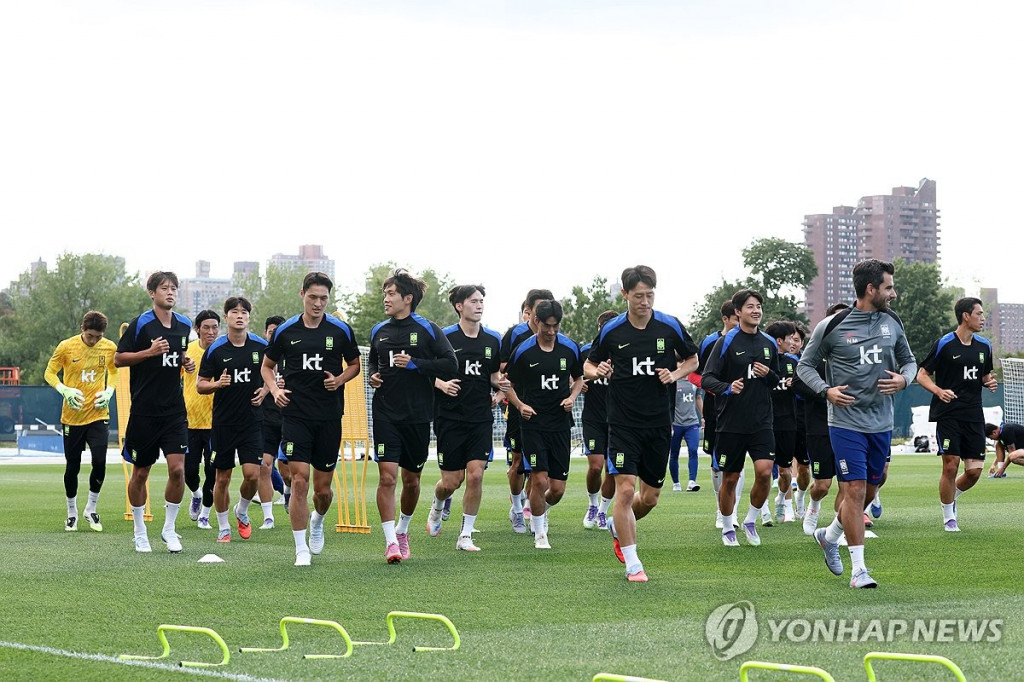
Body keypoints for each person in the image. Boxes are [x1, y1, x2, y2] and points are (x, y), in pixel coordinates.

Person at [797, 259, 917, 588]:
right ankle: (859, 571)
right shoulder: (832, 326)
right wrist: (826, 390)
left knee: (870, 490)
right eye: (889, 287)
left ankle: (829, 535)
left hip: (881, 422)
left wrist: (904, 381)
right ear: (870, 289)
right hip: (845, 423)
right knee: (854, 489)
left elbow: (910, 362)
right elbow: (803, 367)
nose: (893, 293)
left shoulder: (892, 322)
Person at [585, 265, 698, 582]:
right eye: (638, 296)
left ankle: (616, 525)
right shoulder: (613, 331)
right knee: (624, 491)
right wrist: (598, 372)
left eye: (649, 295)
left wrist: (674, 375)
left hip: (660, 423)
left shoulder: (669, 326)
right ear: (625, 295)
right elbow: (589, 364)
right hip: (622, 424)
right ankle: (634, 564)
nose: (645, 301)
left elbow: (692, 359)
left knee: (648, 498)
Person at [262, 272, 361, 566]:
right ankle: (300, 548)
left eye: (324, 299)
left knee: (322, 490)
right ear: (302, 294)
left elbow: (355, 364)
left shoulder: (340, 331)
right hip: (295, 415)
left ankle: (318, 520)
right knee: (300, 481)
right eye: (313, 297)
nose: (318, 303)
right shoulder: (286, 331)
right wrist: (275, 390)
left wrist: (340, 379)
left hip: (329, 416)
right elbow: (267, 368)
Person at [368, 269, 457, 564]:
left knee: (412, 481)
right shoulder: (379, 331)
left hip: (418, 416)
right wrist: (373, 377)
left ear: (408, 298)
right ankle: (391, 542)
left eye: (391, 294)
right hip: (384, 414)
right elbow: (373, 363)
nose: (386, 299)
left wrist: (415, 364)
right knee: (387, 477)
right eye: (385, 294)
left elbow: (450, 365)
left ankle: (403, 529)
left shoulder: (429, 329)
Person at [115, 271, 195, 554]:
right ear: (152, 293)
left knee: (178, 470)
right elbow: (118, 359)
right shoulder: (141, 324)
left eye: (174, 288)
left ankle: (169, 529)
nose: (170, 292)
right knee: (140, 473)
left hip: (174, 411)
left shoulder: (185, 325)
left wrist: (185, 362)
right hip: (144, 413)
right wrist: (148, 353)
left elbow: (179, 354)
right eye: (165, 288)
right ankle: (139, 531)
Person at [426, 284, 505, 551]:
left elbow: (494, 377)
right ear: (459, 306)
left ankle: (466, 535)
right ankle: (437, 504)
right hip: (449, 417)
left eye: (481, 301)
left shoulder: (493, 339)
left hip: (480, 418)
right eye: (473, 301)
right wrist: (441, 385)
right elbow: (425, 371)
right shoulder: (444, 337)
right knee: (451, 482)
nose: (479, 305)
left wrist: (500, 393)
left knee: (475, 476)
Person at [701, 289, 781, 548]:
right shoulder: (725, 342)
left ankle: (751, 520)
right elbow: (707, 378)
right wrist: (727, 387)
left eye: (758, 306)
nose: (756, 310)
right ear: (737, 312)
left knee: (764, 472)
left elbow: (777, 380)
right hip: (730, 423)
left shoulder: (768, 343)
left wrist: (768, 373)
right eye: (750, 306)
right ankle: (727, 525)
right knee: (731, 478)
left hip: (762, 421)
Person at [505, 300, 584, 549]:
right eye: (547, 326)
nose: (551, 331)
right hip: (533, 424)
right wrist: (520, 406)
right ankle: (540, 533)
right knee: (538, 480)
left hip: (560, 423)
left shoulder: (570, 348)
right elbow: (509, 386)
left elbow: (580, 378)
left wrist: (572, 397)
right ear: (536, 321)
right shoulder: (523, 351)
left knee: (557, 489)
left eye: (556, 326)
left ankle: (539, 509)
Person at [917, 297, 997, 531]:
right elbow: (922, 374)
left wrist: (989, 383)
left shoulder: (985, 346)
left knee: (973, 473)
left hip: (974, 415)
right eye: (979, 314)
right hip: (948, 414)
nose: (983, 318)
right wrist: (938, 390)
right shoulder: (944, 344)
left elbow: (984, 376)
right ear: (965, 316)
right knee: (950, 466)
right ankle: (948, 516)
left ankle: (950, 498)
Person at [197, 297, 270, 542]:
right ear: (226, 317)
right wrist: (217, 384)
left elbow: (274, 373)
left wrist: (267, 390)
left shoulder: (261, 347)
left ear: (249, 318)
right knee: (222, 477)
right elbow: (200, 384)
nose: (239, 316)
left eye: (244, 312)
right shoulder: (215, 350)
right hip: (223, 423)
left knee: (252, 474)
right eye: (234, 312)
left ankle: (242, 510)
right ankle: (223, 527)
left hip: (252, 421)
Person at [45, 311, 118, 533]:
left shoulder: (109, 347)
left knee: (100, 461)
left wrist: (109, 391)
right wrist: (63, 389)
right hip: (72, 416)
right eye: (90, 335)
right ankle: (72, 513)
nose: (94, 340)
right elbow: (49, 372)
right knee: (73, 466)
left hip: (98, 414)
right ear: (82, 329)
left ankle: (91, 508)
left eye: (98, 336)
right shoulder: (66, 346)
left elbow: (114, 372)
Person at [500, 289, 554, 533]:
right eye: (540, 308)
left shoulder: (554, 335)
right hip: (519, 406)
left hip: (547, 410)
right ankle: (516, 507)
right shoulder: (516, 334)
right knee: (519, 461)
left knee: (540, 468)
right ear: (530, 311)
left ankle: (536, 511)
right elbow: (503, 367)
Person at [793, 302, 849, 535]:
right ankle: (813, 506)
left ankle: (839, 531)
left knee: (849, 485)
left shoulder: (855, 353)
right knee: (823, 485)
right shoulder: (816, 355)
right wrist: (826, 392)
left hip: (849, 427)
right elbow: (797, 382)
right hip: (819, 427)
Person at [689, 301, 740, 529]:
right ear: (726, 319)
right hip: (715, 409)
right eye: (736, 318)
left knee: (736, 463)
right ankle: (720, 510)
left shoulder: (751, 342)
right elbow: (693, 374)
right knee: (717, 462)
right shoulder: (711, 342)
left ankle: (734, 512)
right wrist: (718, 388)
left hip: (742, 410)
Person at [579, 310, 620, 529]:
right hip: (593, 418)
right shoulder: (587, 352)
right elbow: (572, 377)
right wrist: (579, 384)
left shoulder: (625, 351)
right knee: (595, 467)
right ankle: (592, 504)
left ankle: (603, 511)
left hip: (618, 420)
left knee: (612, 469)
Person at [184, 310, 219, 529]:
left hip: (217, 424)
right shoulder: (187, 351)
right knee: (188, 471)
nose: (211, 331)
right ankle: (196, 494)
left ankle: (205, 513)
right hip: (189, 422)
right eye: (206, 327)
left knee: (212, 471)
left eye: (215, 327)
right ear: (197, 329)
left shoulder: (224, 351)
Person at [765, 320, 800, 523]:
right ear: (780, 340)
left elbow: (803, 389)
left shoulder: (793, 363)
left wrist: (794, 385)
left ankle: (782, 499)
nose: (792, 342)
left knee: (786, 471)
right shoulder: (763, 361)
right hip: (765, 421)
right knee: (765, 468)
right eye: (790, 338)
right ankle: (764, 510)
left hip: (788, 421)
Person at [258, 315, 287, 527]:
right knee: (264, 466)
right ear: (266, 334)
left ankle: (287, 491)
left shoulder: (293, 355)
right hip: (265, 419)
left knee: (288, 470)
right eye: (271, 331)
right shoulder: (259, 358)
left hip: (289, 419)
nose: (274, 334)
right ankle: (268, 516)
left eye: (278, 330)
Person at [669, 378, 702, 492]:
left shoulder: (694, 382)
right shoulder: (672, 382)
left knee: (693, 450)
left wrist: (703, 416)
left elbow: (698, 398)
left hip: (692, 423)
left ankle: (692, 482)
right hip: (676, 423)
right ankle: (676, 483)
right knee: (674, 453)